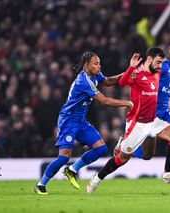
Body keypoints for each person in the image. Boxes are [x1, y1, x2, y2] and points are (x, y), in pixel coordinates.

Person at [86, 46, 170, 193]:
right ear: (149, 59)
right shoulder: (137, 73)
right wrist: (131, 68)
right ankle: (97, 178)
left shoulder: (159, 72)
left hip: (154, 119)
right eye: (158, 62)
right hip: (138, 123)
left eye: (162, 63)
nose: (160, 66)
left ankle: (168, 174)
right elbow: (122, 82)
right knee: (122, 159)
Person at [34, 51, 133, 195]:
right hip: (68, 120)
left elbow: (108, 81)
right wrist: (126, 103)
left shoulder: (94, 75)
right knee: (64, 156)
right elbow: (104, 100)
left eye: (99, 63)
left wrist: (127, 72)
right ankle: (40, 184)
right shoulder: (83, 81)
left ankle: (72, 169)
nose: (99, 66)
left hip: (80, 121)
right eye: (96, 63)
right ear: (86, 65)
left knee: (101, 148)